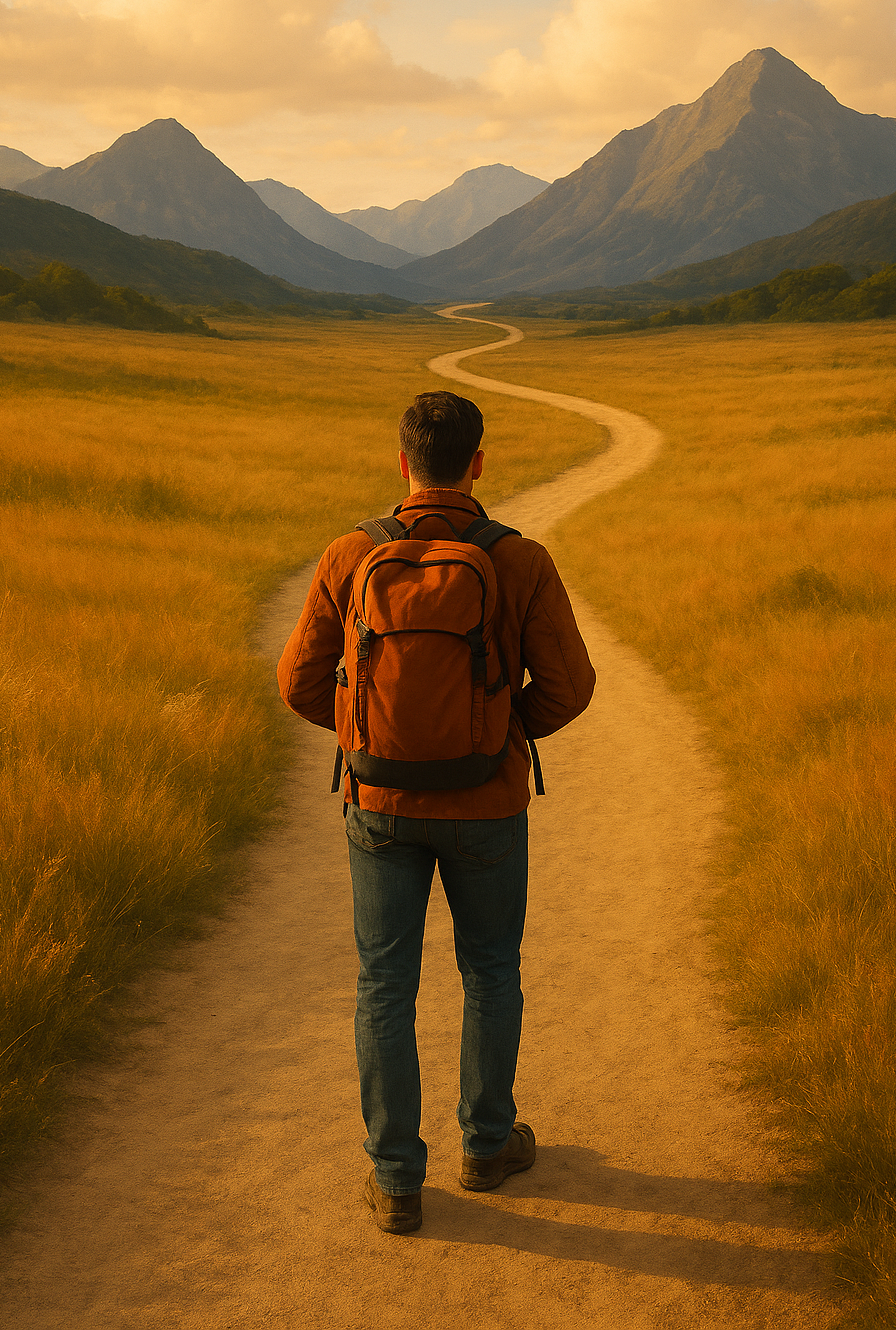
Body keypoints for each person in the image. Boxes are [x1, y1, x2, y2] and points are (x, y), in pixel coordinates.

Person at [277, 390, 595, 1234]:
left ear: (403, 463)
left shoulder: (351, 555)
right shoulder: (520, 561)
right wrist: (496, 735)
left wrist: (369, 737)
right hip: (487, 804)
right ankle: (488, 1145)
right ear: (479, 462)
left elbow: (297, 684)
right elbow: (573, 688)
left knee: (385, 983)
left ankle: (396, 1180)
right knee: (490, 970)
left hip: (378, 803)